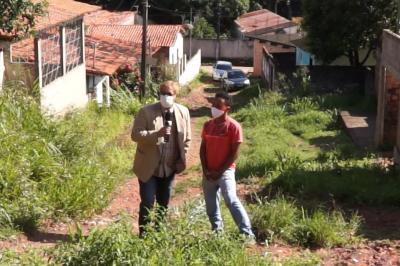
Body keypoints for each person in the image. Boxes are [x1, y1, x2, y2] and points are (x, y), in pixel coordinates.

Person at [131, 81, 191, 236]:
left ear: (176, 95)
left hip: (169, 168)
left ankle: (158, 233)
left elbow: (187, 139)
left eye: (169, 94)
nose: (165, 96)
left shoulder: (183, 112)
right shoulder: (146, 111)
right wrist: (157, 133)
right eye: (163, 93)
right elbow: (135, 135)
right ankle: (143, 235)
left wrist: (181, 158)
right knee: (148, 202)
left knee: (163, 203)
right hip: (149, 167)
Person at [200, 91, 255, 238]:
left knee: (231, 199)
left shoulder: (234, 127)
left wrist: (220, 171)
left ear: (227, 108)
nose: (214, 108)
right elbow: (202, 148)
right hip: (208, 173)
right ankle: (217, 233)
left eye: (218, 105)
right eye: (213, 104)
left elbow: (234, 154)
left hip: (225, 172)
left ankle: (247, 234)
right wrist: (205, 169)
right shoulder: (207, 125)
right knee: (211, 206)